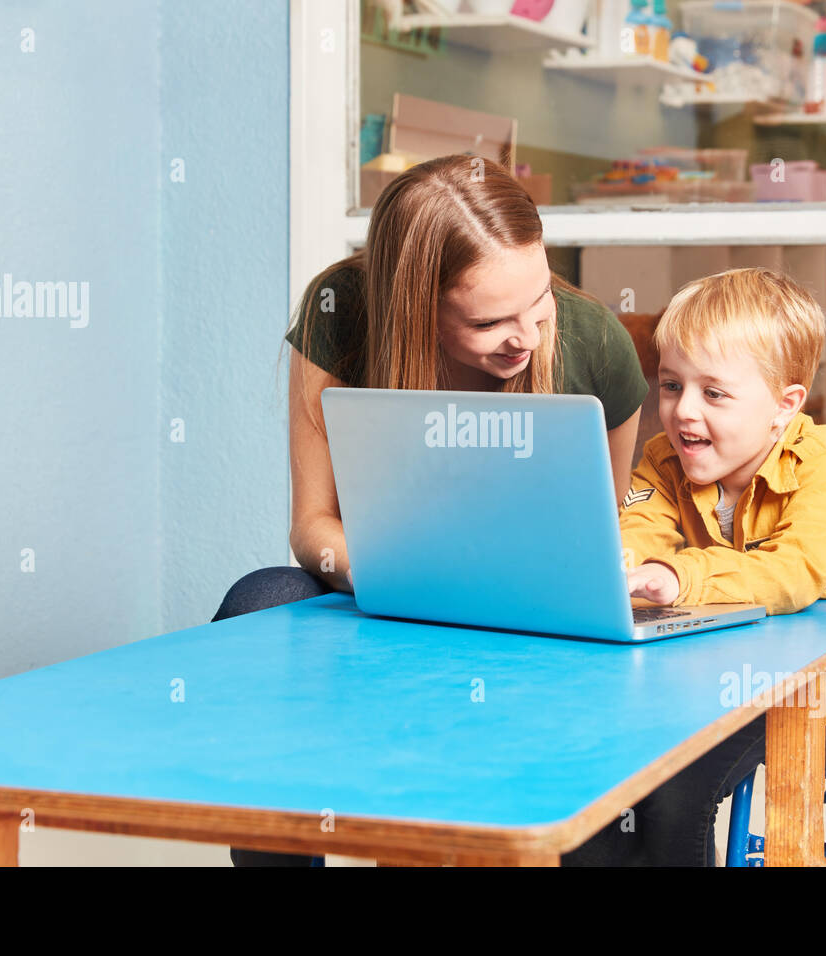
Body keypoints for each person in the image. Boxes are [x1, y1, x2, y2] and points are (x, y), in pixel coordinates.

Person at [218, 153, 648, 866]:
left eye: (538, 302)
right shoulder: (340, 312)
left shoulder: (593, 342)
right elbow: (313, 528)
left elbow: (596, 543)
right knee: (257, 600)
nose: (529, 338)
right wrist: (408, 582)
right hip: (379, 594)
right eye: (490, 322)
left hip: (531, 624)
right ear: (415, 305)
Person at [564, 267, 826, 866]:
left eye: (713, 393)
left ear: (784, 405)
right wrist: (620, 564)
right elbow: (635, 533)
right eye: (671, 385)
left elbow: (792, 574)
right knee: (661, 796)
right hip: (745, 689)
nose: (683, 411)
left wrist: (677, 576)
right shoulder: (661, 460)